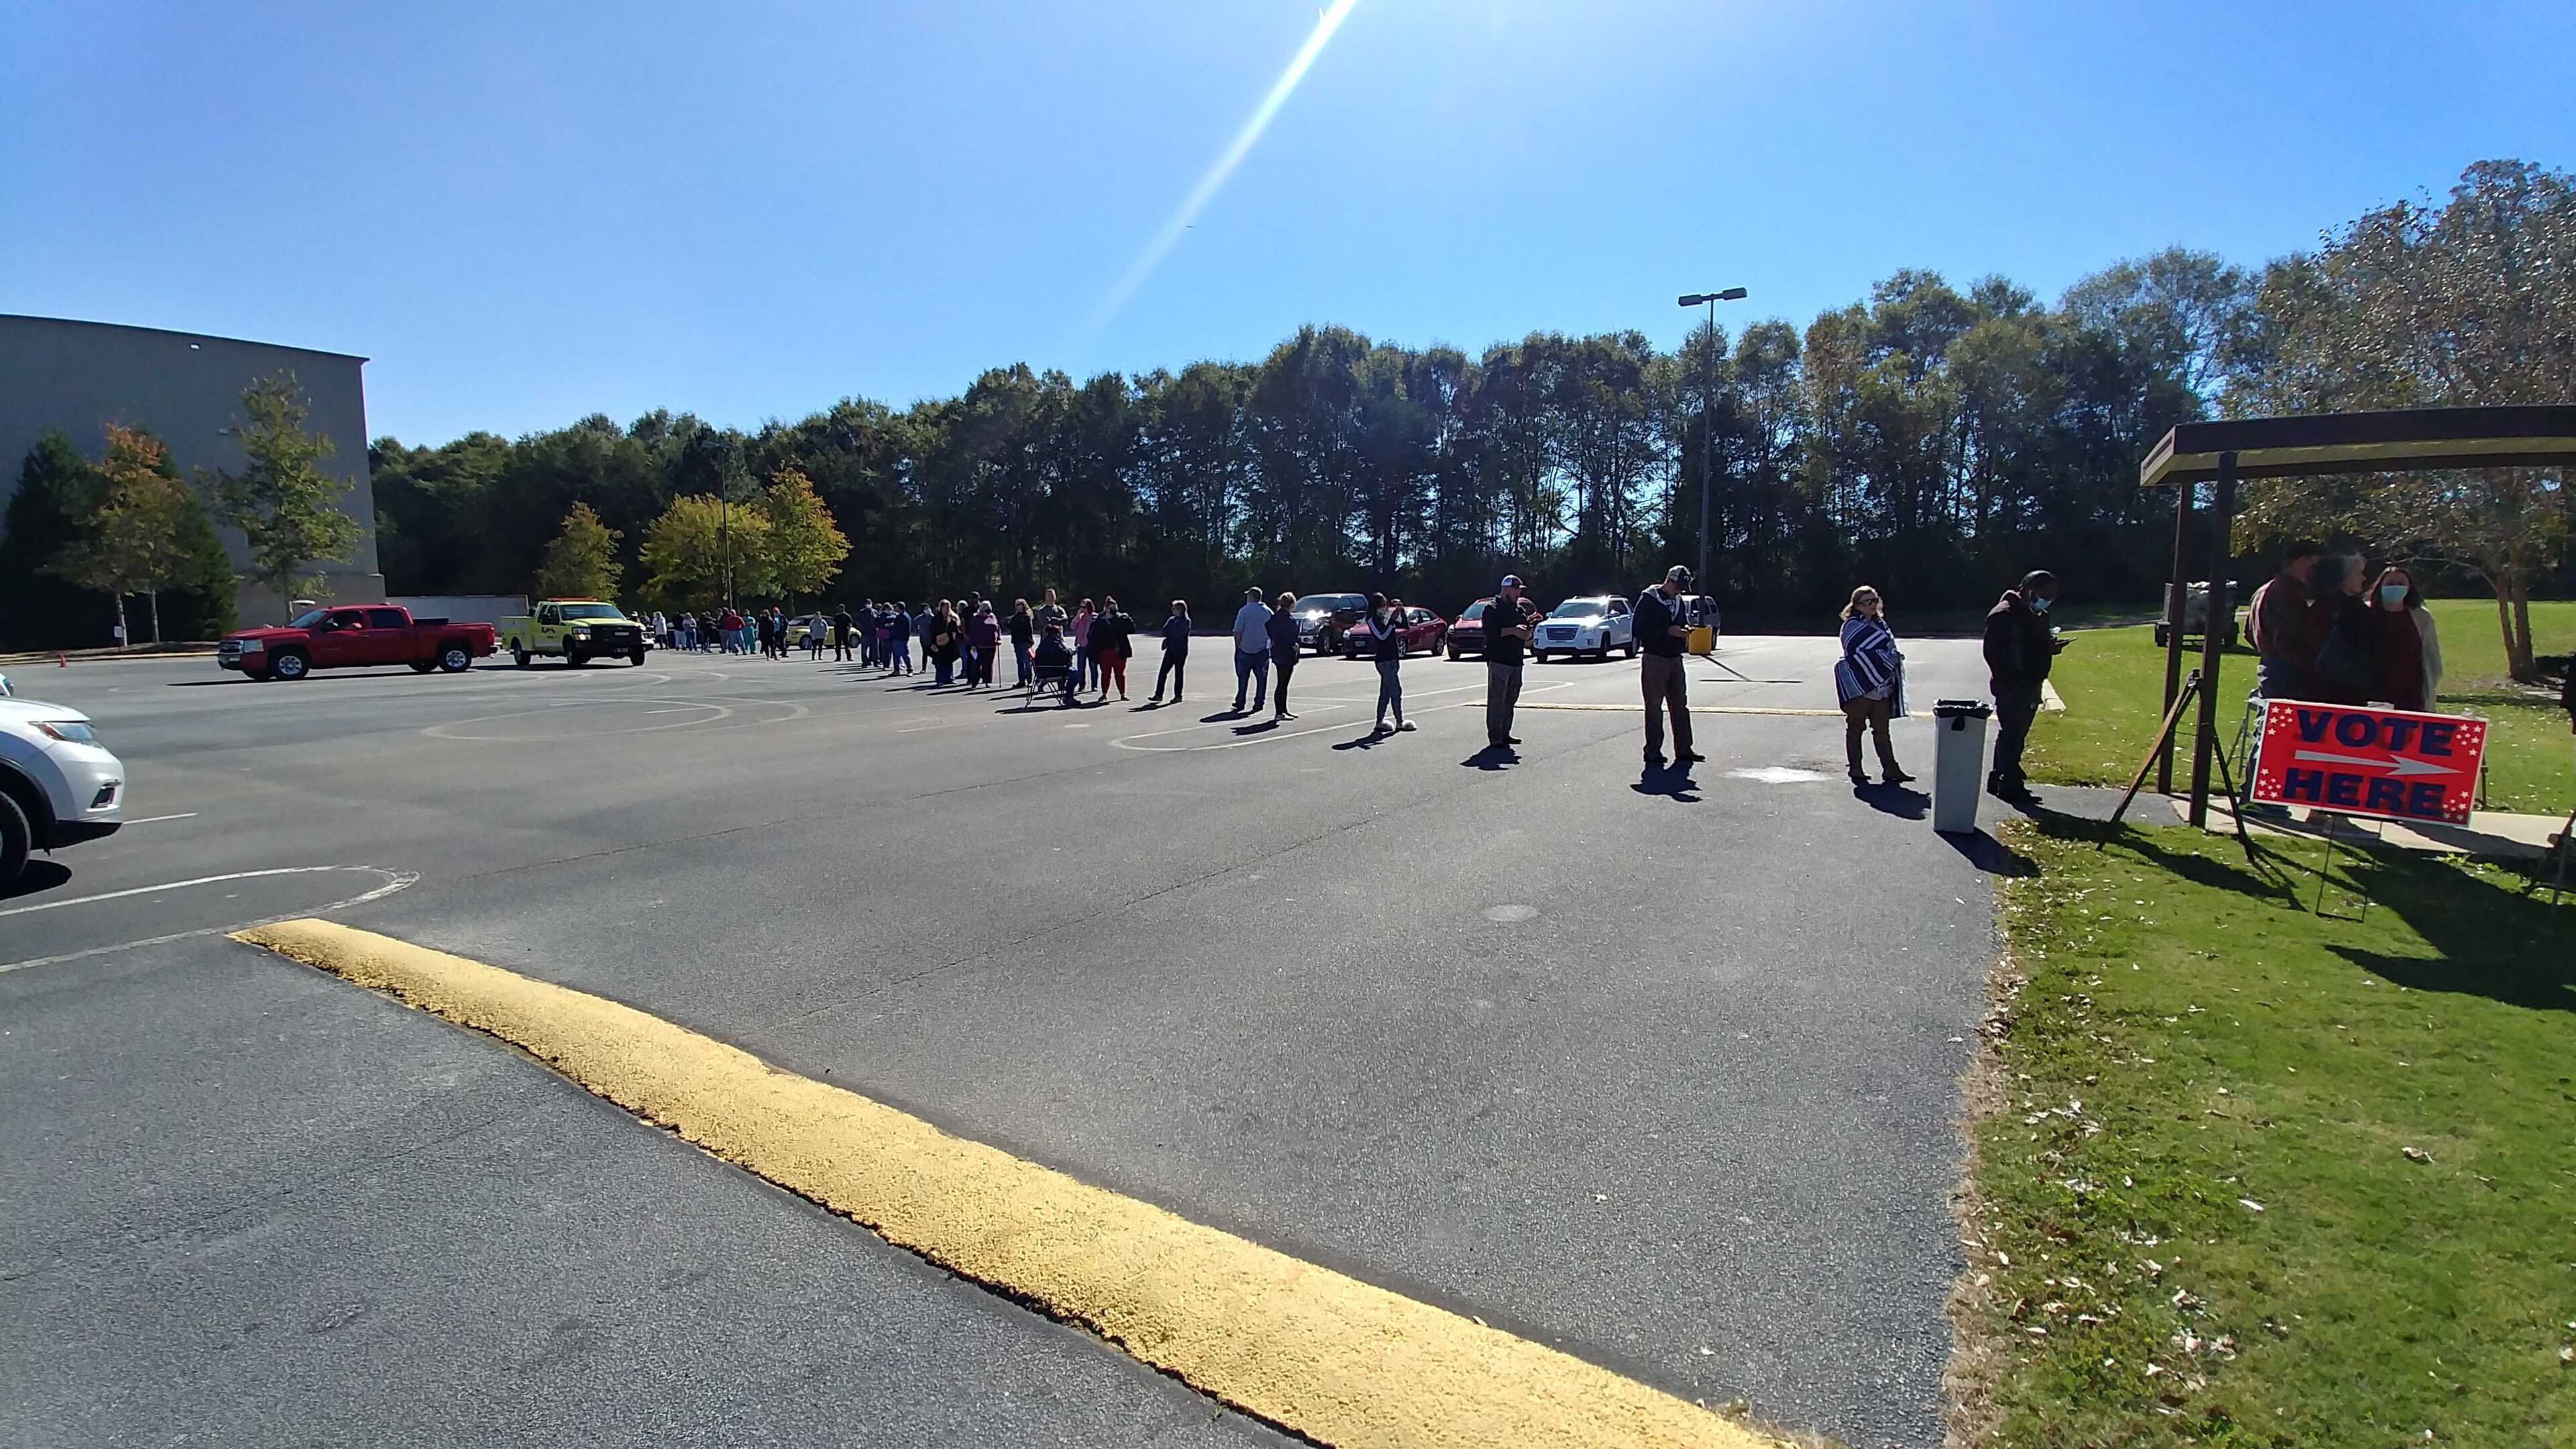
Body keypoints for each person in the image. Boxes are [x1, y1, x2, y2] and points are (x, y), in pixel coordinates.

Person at [1982, 570, 2064, 802]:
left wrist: (2048, 648)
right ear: (2029, 591)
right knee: (2012, 734)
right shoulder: (2004, 615)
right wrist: (2010, 679)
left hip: (2029, 682)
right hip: (2013, 684)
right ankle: (2009, 783)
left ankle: (2001, 778)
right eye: (2045, 593)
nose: (2048, 599)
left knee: (2014, 735)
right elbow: (1993, 653)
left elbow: (2032, 645)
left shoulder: (2035, 614)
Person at [1835, 585, 1912, 786]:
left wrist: (1890, 659)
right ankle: (1856, 767)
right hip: (1861, 684)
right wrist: (1885, 659)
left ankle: (1890, 768)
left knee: (1882, 729)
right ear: (1857, 605)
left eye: (1874, 600)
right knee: (1855, 727)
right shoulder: (1851, 626)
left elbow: (1887, 648)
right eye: (1867, 602)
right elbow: (1853, 650)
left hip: (1882, 685)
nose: (1872, 605)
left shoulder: (1880, 624)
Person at [1633, 566, 1700, 767]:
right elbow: (1638, 629)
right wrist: (1667, 631)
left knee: (1680, 705)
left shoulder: (1679, 601)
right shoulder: (1649, 600)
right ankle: (1653, 751)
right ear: (1669, 581)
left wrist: (1684, 630)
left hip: (1675, 659)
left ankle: (1684, 749)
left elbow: (1680, 622)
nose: (1680, 591)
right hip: (1655, 658)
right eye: (1678, 586)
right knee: (1654, 707)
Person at [2247, 541, 2321, 702]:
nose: (2317, 571)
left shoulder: (2263, 590)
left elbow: (2248, 632)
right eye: (2315, 565)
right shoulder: (2288, 593)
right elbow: (2287, 639)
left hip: (2268, 668)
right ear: (2301, 562)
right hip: (2288, 674)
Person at [2363, 566, 2442, 712]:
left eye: (2401, 583)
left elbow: (2431, 655)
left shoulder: (2421, 617)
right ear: (2380, 586)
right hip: (2372, 694)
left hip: (2411, 695)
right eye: (2390, 583)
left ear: (2409, 587)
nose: (2396, 587)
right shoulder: (2364, 613)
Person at [2304, 554, 2374, 706]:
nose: (2363, 578)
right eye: (2358, 573)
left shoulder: (2319, 607)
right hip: (2346, 688)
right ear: (2342, 577)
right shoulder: (2352, 610)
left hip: (2318, 686)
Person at [1483, 575, 1539, 747]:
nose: (1518, 594)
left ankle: (1506, 733)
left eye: (1519, 591)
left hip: (1516, 660)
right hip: (1498, 660)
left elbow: (1526, 635)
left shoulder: (1519, 610)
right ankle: (1495, 736)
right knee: (1497, 700)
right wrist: (1514, 631)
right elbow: (1491, 633)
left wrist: (1527, 633)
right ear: (1506, 589)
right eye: (1516, 590)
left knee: (1511, 699)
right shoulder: (1492, 608)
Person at [1366, 594, 1413, 734]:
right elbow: (1382, 636)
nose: (1384, 608)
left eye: (1385, 605)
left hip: (1393, 659)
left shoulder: (1385, 619)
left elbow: (1405, 626)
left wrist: (1401, 611)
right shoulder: (1372, 621)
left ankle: (1380, 722)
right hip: (1384, 661)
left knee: (1386, 692)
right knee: (1396, 690)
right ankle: (1399, 721)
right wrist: (1392, 621)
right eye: (1382, 605)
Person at [1231, 586, 1273, 714]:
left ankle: (1241, 701)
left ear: (1251, 597)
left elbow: (1238, 631)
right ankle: (1259, 702)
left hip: (1245, 648)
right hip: (1262, 650)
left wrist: (1237, 646)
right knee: (1262, 678)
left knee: (1243, 677)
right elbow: (1273, 631)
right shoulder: (1268, 612)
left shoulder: (1244, 611)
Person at [1265, 590, 1301, 720]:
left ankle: (1283, 710)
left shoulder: (1275, 617)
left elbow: (1268, 627)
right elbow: (1290, 635)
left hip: (1277, 652)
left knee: (1283, 683)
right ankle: (1279, 713)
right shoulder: (1286, 619)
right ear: (1291, 604)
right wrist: (1293, 645)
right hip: (1286, 653)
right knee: (1282, 683)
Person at [1090, 596, 1134, 700]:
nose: (1114, 610)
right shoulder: (1099, 621)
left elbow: (1132, 629)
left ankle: (1122, 694)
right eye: (1111, 608)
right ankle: (1104, 694)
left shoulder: (1121, 619)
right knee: (1105, 673)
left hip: (1119, 650)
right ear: (1106, 608)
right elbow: (1093, 637)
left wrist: (1127, 619)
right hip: (1105, 651)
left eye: (1115, 607)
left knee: (1120, 674)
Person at [1150, 600, 1191, 703]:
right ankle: (1158, 695)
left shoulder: (1186, 621)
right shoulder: (1171, 620)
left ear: (1180, 610)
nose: (1173, 611)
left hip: (1181, 651)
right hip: (1170, 649)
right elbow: (1165, 630)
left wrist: (1171, 633)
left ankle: (1178, 696)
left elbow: (1180, 633)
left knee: (1178, 673)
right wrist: (1171, 634)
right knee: (1163, 672)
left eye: (1175, 609)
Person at [1033, 623, 1077, 705]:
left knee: (1073, 671)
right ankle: (1069, 697)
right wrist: (1072, 652)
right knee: (1076, 674)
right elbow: (1063, 654)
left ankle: (1067, 695)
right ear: (1057, 633)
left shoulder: (1044, 643)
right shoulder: (1055, 643)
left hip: (1042, 671)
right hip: (1053, 671)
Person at [969, 602, 1002, 688]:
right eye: (985, 610)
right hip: (980, 645)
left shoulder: (993, 617)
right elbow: (973, 632)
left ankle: (987, 681)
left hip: (992, 645)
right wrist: (972, 644)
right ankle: (974, 682)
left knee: (989, 664)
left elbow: (997, 628)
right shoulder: (976, 618)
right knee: (977, 664)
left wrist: (999, 638)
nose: (987, 612)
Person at [1008, 598, 1036, 687]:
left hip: (1026, 642)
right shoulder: (1015, 618)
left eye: (1020, 604)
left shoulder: (1027, 617)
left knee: (1027, 662)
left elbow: (1030, 630)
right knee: (1020, 662)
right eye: (1017, 605)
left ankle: (1029, 680)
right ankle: (1021, 681)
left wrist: (1031, 641)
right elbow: (1010, 626)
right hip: (1017, 642)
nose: (1018, 607)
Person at [1071, 599, 1096, 691]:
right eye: (1081, 607)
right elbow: (1073, 626)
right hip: (1081, 645)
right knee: (1081, 667)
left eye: (1084, 607)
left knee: (1093, 666)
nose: (1082, 609)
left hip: (1092, 645)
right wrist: (1078, 615)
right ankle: (1081, 685)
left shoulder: (1094, 617)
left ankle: (1094, 685)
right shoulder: (1080, 617)